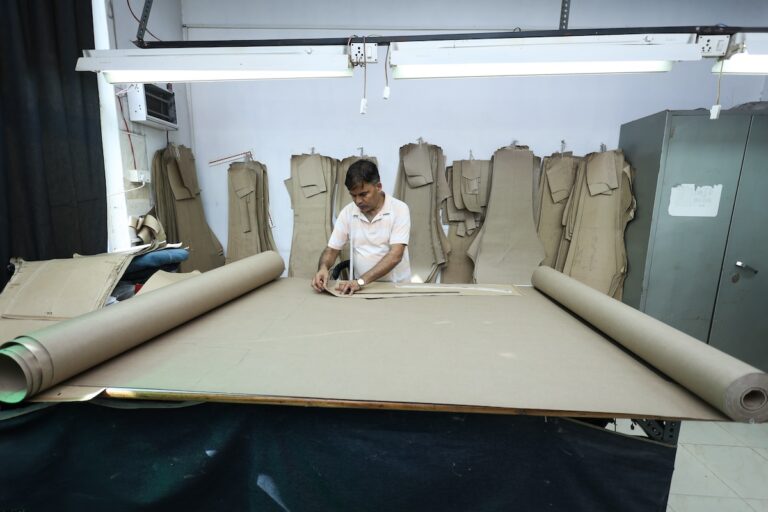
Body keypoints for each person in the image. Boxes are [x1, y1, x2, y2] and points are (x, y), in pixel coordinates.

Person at [311, 159, 411, 295]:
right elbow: (332, 249)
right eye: (353, 195)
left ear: (378, 187)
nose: (358, 201)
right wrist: (323, 268)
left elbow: (395, 255)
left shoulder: (399, 209)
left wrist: (361, 281)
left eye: (363, 194)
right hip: (361, 287)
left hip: (395, 287)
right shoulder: (348, 212)